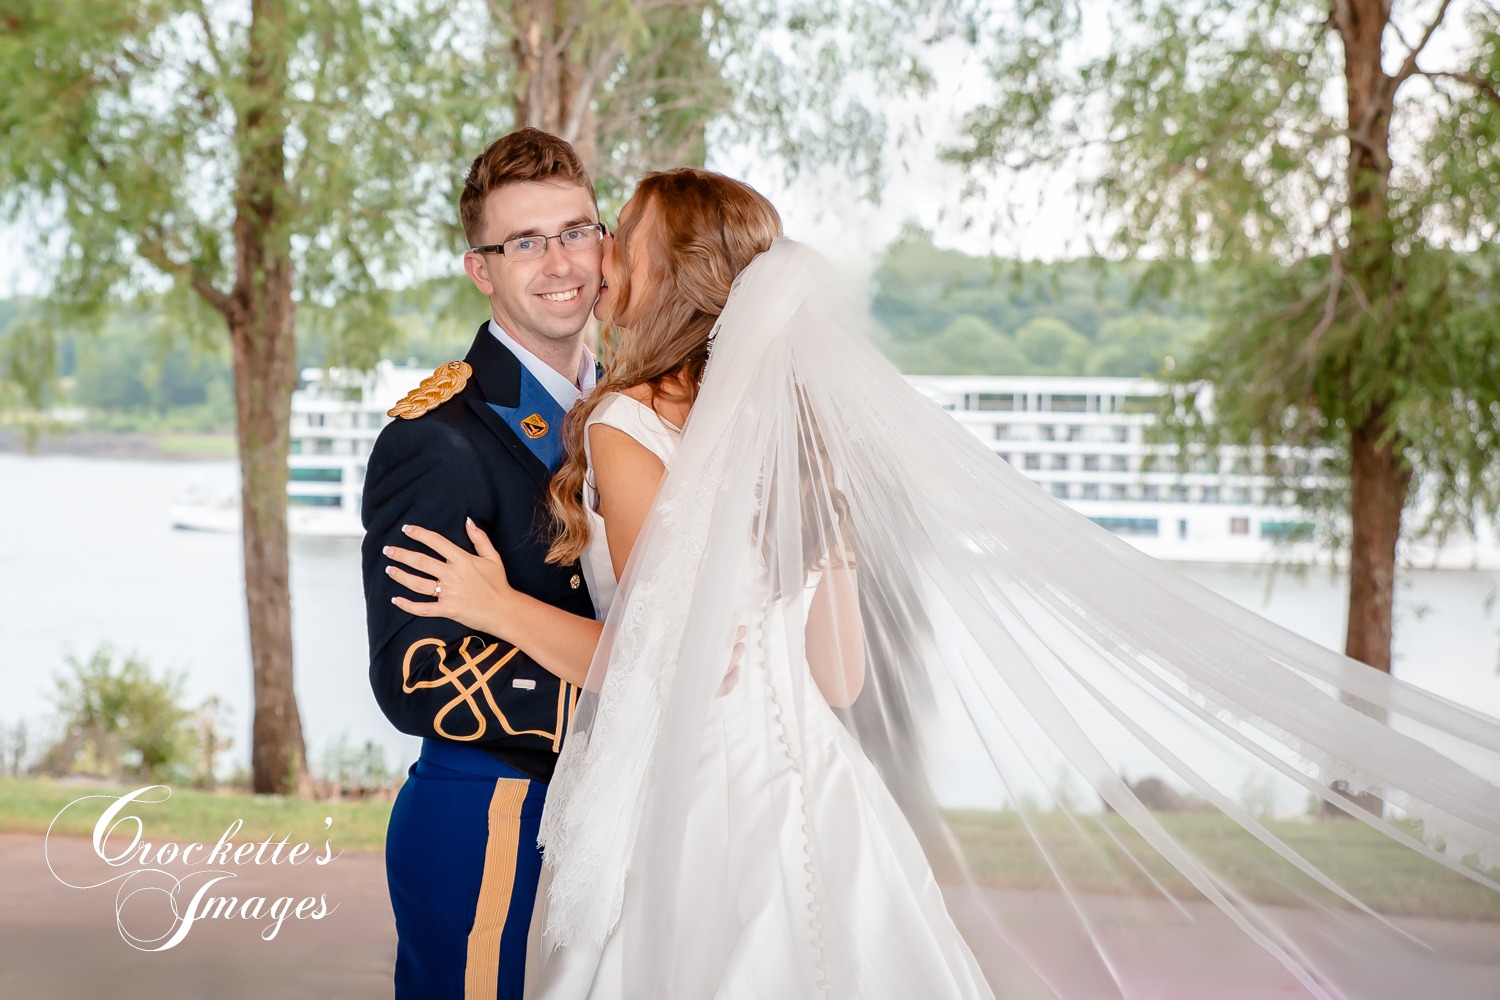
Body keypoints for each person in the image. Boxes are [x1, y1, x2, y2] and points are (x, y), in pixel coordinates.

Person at [387, 169, 1500, 998]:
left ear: (666, 277)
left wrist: (497, 607)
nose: (598, 264)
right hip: (813, 776)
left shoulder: (629, 424)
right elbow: (834, 671)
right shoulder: (802, 448)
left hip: (704, 784)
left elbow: (657, 669)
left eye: (609, 238)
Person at [361, 127, 607, 1000]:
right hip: (492, 803)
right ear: (482, 269)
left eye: (577, 231)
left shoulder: (632, 413)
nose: (560, 262)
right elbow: (416, 673)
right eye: (526, 243)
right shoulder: (435, 438)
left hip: (617, 808)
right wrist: (633, 708)